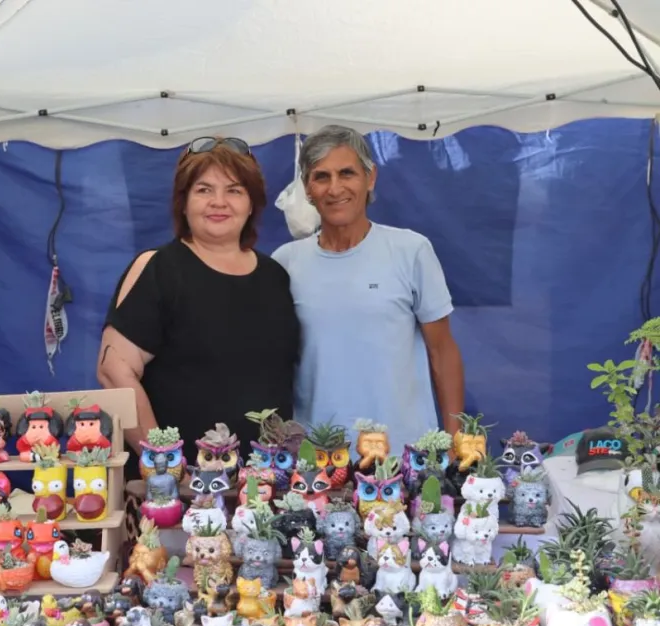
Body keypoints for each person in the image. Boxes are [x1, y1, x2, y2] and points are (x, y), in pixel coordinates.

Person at [97, 136, 300, 469]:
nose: (218, 202)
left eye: (234, 190)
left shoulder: (275, 276)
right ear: (184, 202)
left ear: (251, 203)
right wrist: (165, 465)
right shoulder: (159, 269)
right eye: (204, 190)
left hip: (265, 485)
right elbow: (113, 372)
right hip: (182, 490)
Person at [272, 125, 464, 448]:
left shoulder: (411, 250)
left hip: (403, 455)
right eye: (321, 177)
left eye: (347, 173)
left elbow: (442, 351)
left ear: (370, 178)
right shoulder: (286, 263)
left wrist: (457, 440)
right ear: (307, 188)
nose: (335, 189)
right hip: (317, 458)